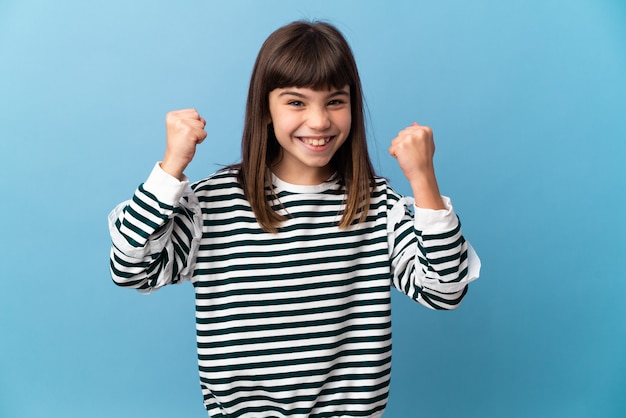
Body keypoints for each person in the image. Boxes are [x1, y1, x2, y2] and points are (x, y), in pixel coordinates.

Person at [108, 20, 480, 418]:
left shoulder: (377, 206)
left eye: (335, 101)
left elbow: (446, 290)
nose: (319, 121)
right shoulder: (213, 203)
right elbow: (132, 270)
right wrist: (170, 169)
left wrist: (423, 179)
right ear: (266, 109)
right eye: (296, 102)